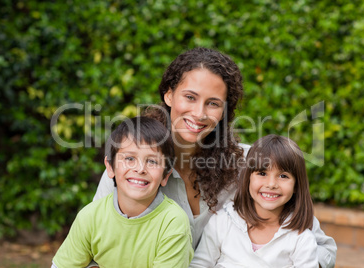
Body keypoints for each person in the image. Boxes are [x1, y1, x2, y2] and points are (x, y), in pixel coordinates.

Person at [94, 47, 337, 267]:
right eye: (190, 97)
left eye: (213, 103)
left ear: (224, 112)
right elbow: (91, 248)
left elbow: (322, 248)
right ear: (169, 96)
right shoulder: (130, 168)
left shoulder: (252, 165)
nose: (199, 113)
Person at [52, 117, 193, 268]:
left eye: (152, 161)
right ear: (110, 167)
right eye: (130, 158)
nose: (140, 169)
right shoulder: (90, 217)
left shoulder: (173, 222)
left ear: (165, 176)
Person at [190, 135, 321, 267]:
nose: (271, 184)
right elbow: (200, 264)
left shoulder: (300, 237)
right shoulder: (223, 222)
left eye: (283, 176)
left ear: (296, 186)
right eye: (262, 173)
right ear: (248, 178)